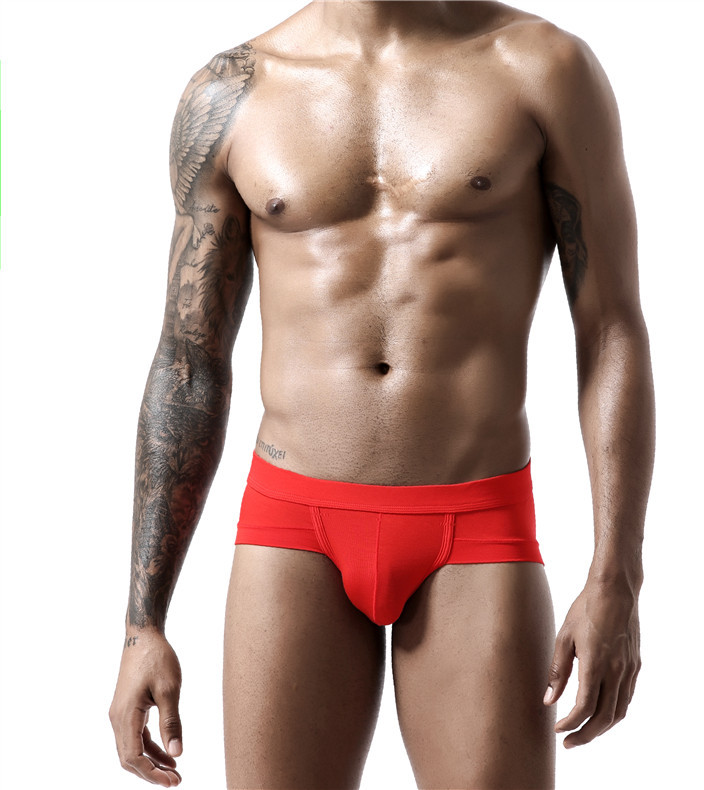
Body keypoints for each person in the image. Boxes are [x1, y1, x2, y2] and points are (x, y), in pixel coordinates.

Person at [109, 2, 655, 788]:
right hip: (292, 524)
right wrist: (142, 625)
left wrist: (616, 576)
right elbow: (189, 359)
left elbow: (610, 330)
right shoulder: (234, 91)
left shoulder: (541, 69)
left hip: (474, 523)